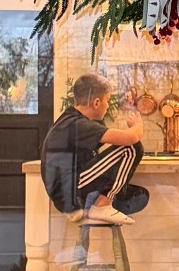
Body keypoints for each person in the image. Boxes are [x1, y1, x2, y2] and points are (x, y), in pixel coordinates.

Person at [40, 72, 150, 217]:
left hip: (67, 194)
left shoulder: (71, 120)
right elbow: (131, 138)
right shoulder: (79, 125)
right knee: (132, 149)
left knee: (139, 194)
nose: (107, 105)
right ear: (96, 103)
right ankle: (102, 206)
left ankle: (106, 202)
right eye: (107, 101)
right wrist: (138, 124)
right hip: (72, 196)